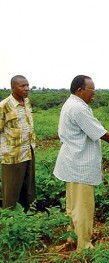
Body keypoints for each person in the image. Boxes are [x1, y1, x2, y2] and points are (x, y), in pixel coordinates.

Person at [53, 75, 109, 251]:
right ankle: (84, 246)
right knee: (83, 207)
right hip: (79, 165)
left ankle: (73, 238)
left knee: (73, 205)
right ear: (80, 90)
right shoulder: (78, 108)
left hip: (72, 163)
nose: (94, 94)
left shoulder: (72, 104)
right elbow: (101, 133)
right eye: (91, 90)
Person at [0, 75, 36, 211]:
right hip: (12, 156)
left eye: (27, 85)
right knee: (11, 192)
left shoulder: (27, 102)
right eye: (22, 86)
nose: (26, 89)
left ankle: (28, 215)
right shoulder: (4, 106)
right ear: (13, 88)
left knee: (28, 190)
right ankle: (10, 220)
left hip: (28, 152)